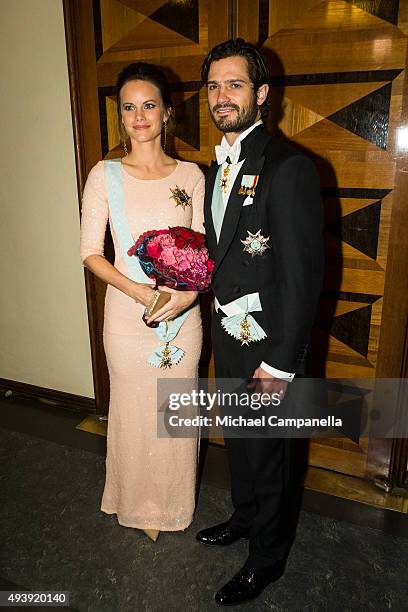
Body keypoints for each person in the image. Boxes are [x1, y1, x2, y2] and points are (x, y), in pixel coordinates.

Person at [196, 39, 324, 605]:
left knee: (270, 454)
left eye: (235, 84)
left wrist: (281, 365)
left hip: (270, 349)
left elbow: (302, 278)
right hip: (231, 336)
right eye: (213, 86)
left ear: (262, 94)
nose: (221, 96)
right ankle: (244, 520)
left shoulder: (290, 167)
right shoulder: (215, 168)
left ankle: (267, 559)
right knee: (242, 445)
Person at [80, 62, 204, 542]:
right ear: (121, 116)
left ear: (167, 113)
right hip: (128, 317)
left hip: (183, 317)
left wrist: (186, 294)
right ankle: (132, 500)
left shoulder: (192, 175)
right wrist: (137, 292)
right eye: (128, 107)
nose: (138, 116)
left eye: (148, 105)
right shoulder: (104, 174)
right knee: (133, 408)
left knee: (175, 411)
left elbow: (206, 248)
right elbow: (90, 252)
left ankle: (172, 505)